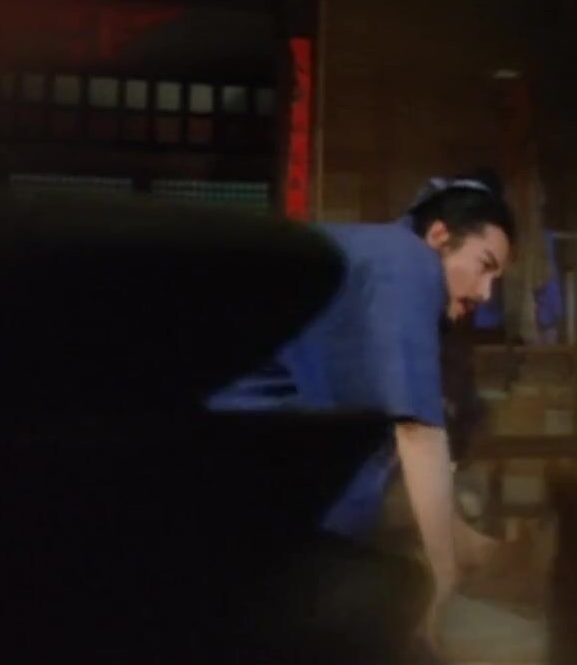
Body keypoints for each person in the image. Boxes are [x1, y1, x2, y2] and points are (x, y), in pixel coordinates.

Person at [207, 170, 515, 662]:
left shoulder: (380, 261)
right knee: (395, 604)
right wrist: (442, 577)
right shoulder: (407, 262)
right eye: (484, 266)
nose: (485, 292)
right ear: (439, 236)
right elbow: (418, 434)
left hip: (251, 498)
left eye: (495, 279)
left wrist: (464, 542)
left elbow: (396, 441)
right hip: (245, 506)